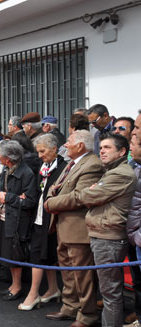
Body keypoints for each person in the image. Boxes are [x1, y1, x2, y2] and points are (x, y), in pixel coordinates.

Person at [72, 133, 135, 327]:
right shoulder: (111, 171)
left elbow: (88, 197)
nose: (102, 151)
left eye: (107, 147)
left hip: (109, 237)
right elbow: (92, 194)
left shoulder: (121, 173)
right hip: (103, 234)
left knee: (111, 294)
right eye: (101, 147)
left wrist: (91, 190)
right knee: (109, 292)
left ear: (122, 151)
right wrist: (93, 189)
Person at [44, 130, 103, 326]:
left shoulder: (92, 164)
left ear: (80, 146)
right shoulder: (74, 162)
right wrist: (53, 194)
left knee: (82, 274)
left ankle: (87, 315)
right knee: (68, 271)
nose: (65, 145)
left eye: (69, 142)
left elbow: (80, 196)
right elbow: (57, 187)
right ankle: (70, 307)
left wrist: (52, 202)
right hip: (64, 225)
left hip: (78, 229)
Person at [18, 134, 66, 311]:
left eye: (42, 151)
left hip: (52, 219)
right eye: (38, 151)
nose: (39, 155)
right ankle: (53, 289)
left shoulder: (63, 168)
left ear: (54, 149)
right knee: (44, 255)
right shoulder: (44, 165)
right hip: (39, 218)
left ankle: (33, 293)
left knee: (39, 256)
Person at [0, 140, 38, 302]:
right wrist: (4, 196)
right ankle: (13, 284)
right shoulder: (7, 169)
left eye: (0, 153)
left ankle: (17, 286)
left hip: (18, 220)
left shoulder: (26, 173)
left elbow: (30, 201)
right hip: (6, 216)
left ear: (8, 157)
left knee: (15, 255)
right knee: (8, 254)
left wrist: (8, 197)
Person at [126, 134, 141, 327]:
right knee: (138, 281)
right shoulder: (134, 167)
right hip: (133, 234)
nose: (132, 141)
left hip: (137, 235)